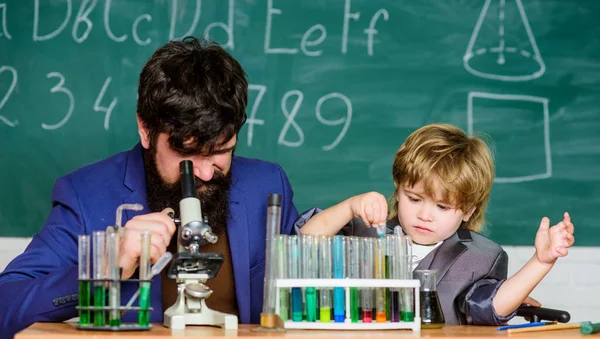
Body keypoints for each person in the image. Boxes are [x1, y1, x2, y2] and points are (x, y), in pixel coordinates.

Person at [0, 37, 299, 338]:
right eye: (187, 154)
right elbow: (5, 306)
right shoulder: (86, 196)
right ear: (146, 130)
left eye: (222, 150)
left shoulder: (267, 186)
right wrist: (104, 268)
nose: (206, 173)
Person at [297, 123, 575, 325]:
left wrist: (541, 262)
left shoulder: (480, 258)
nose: (425, 215)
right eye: (415, 199)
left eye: (442, 206)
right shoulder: (365, 229)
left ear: (468, 210)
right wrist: (348, 207)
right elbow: (303, 240)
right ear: (398, 186)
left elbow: (488, 307)